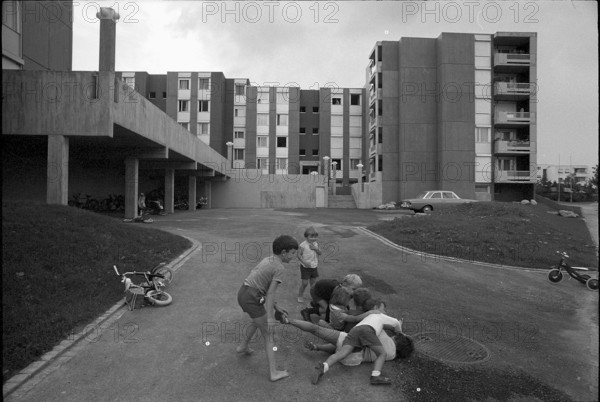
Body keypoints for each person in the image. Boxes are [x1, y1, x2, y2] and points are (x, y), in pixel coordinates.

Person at [236, 235, 299, 382]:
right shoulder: (279, 268)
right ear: (283, 252)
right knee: (268, 334)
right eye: (292, 253)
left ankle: (243, 346)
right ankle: (274, 373)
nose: (293, 256)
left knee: (257, 320)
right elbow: (270, 292)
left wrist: (276, 307)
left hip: (244, 293)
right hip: (252, 298)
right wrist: (271, 317)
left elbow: (263, 287)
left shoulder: (269, 259)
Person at [311, 300, 405, 386]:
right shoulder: (379, 315)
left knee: (341, 352)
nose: (385, 312)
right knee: (382, 353)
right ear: (376, 308)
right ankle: (375, 375)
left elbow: (356, 320)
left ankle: (324, 366)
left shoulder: (366, 315)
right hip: (362, 342)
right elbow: (395, 322)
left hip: (353, 333)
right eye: (384, 309)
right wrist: (399, 332)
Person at [297, 227, 321, 303]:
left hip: (314, 267)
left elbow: (320, 253)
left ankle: (313, 296)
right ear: (306, 236)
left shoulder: (315, 244)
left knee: (313, 284)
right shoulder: (303, 245)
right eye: (311, 237)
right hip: (305, 267)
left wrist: (316, 248)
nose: (314, 238)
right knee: (304, 283)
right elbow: (299, 255)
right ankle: (300, 295)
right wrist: (304, 262)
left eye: (315, 237)